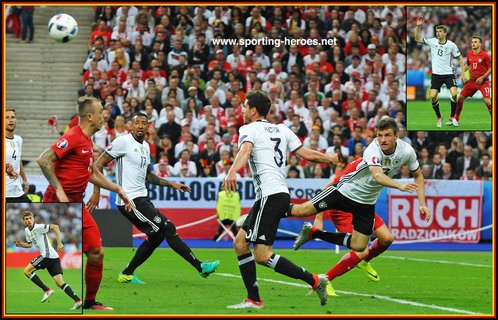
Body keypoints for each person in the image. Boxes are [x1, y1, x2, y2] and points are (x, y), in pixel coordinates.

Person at [222, 90, 338, 309]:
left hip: (270, 195)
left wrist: (232, 171)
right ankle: (253, 299)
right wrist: (328, 158)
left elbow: (245, 150)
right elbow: (307, 154)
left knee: (262, 255)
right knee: (240, 243)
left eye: (245, 106)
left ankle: (314, 280)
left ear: (253, 110)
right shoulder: (282, 129)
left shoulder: (248, 129)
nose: (243, 110)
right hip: (274, 194)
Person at [289, 118, 431, 275]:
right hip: (344, 197)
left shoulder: (406, 151)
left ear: (396, 136)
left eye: (387, 135)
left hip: (365, 203)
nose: (383, 140)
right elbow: (377, 176)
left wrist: (422, 204)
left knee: (379, 241)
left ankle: (316, 236)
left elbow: (418, 175)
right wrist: (319, 219)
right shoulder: (370, 152)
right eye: (380, 135)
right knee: (302, 211)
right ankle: (325, 279)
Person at [92, 113, 219, 284]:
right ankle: (200, 266)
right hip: (130, 200)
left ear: (148, 127)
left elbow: (149, 176)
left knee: (157, 237)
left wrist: (172, 184)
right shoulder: (122, 142)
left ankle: (127, 273)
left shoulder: (146, 147)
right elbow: (98, 164)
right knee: (168, 226)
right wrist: (96, 192)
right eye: (136, 122)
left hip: (142, 197)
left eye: (144, 123)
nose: (140, 126)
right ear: (131, 125)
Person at [37, 97, 132, 311]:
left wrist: (116, 188)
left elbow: (90, 173)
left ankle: (89, 302)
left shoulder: (88, 141)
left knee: (97, 253)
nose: (104, 115)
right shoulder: (72, 136)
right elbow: (44, 160)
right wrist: (59, 191)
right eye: (101, 112)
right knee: (40, 251)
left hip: (76, 205)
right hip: (56, 204)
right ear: (90, 116)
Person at [293, 158, 394, 295]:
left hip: (362, 205)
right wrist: (319, 218)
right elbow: (327, 188)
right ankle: (325, 280)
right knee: (360, 250)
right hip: (342, 209)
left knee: (387, 238)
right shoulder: (361, 167)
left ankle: (364, 262)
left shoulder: (381, 163)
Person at [15, 211, 82, 309]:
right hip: (53, 257)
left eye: (30, 218)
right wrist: (21, 245)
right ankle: (77, 300)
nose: (29, 220)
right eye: (26, 219)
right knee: (59, 282)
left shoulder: (39, 227)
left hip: (47, 255)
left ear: (33, 219)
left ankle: (47, 290)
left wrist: (59, 243)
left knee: (27, 271)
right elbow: (29, 244)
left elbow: (55, 227)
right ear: (23, 221)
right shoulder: (27, 231)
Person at [414, 17, 466, 127]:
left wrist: (463, 73)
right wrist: (418, 26)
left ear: (445, 33)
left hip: (448, 73)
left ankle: (452, 117)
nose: (438, 33)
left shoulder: (451, 45)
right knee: (433, 96)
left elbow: (460, 58)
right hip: (436, 74)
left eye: (440, 31)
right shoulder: (432, 41)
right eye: (437, 31)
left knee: (454, 93)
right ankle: (439, 116)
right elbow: (417, 38)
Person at [453, 35, 492, 125]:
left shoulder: (485, 55)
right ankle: (457, 119)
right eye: (472, 42)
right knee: (460, 99)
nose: (473, 44)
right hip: (472, 81)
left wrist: (482, 77)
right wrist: (461, 73)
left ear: (480, 44)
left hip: (483, 82)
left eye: (475, 42)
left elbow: (491, 68)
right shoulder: (470, 53)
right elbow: (468, 65)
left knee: (487, 101)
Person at [6, 109, 30, 202]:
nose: (10, 120)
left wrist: (24, 179)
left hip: (17, 190)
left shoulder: (18, 139)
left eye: (13, 117)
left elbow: (18, 159)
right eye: (7, 117)